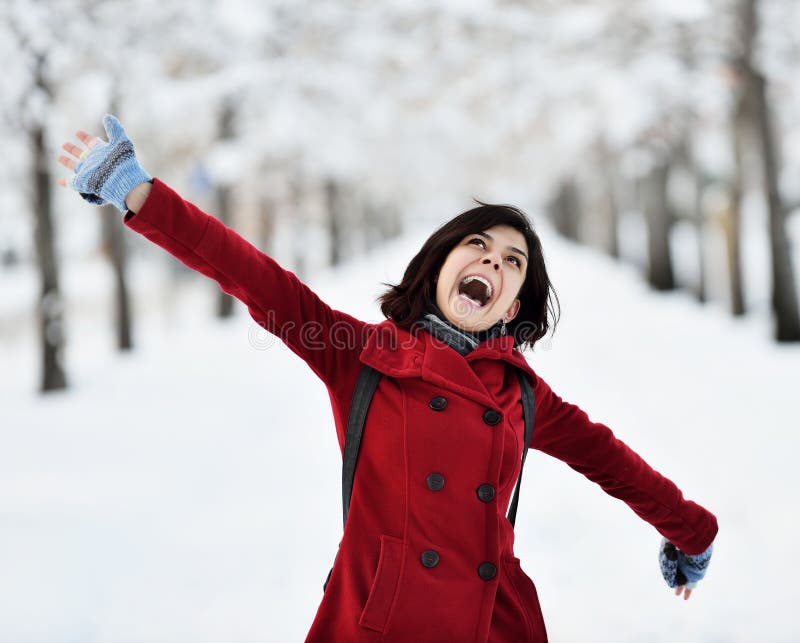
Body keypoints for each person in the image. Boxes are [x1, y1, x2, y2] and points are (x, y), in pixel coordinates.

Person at [57, 115, 717, 642]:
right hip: (380, 619)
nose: (494, 259)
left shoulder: (521, 393)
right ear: (438, 268)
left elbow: (611, 459)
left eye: (512, 260)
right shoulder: (359, 354)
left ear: (513, 304)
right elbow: (256, 278)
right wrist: (140, 195)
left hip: (495, 623)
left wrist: (692, 530)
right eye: (478, 246)